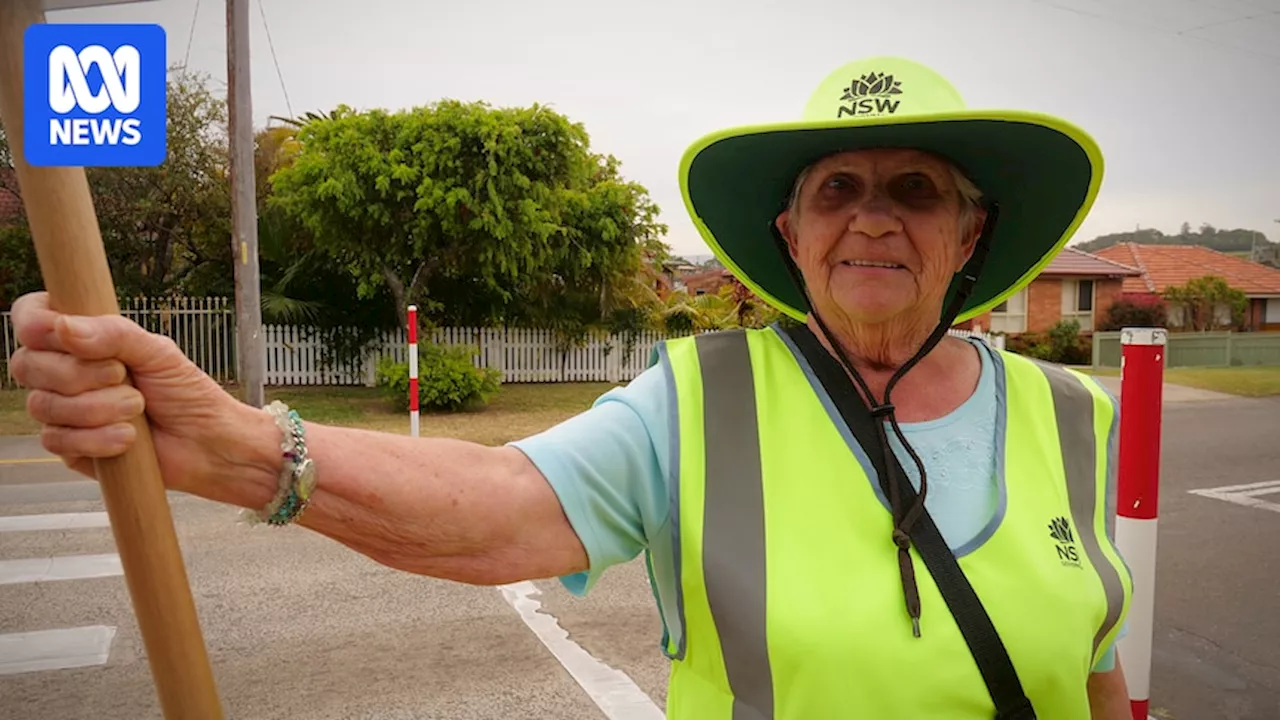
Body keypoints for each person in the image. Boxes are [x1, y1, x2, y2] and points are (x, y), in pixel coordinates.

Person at [10, 56, 1133, 719]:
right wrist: (244, 447)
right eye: (837, 185)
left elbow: (1087, 669)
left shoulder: (1075, 416)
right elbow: (491, 507)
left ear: (970, 229)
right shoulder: (702, 398)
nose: (872, 214)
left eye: (916, 188)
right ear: (791, 234)